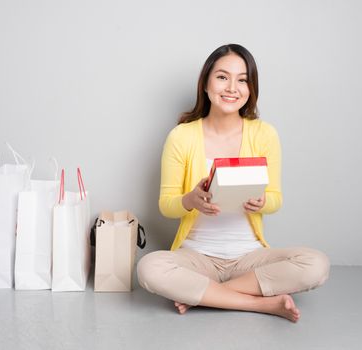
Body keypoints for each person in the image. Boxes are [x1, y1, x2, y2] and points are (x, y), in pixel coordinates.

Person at [137, 44, 329, 323]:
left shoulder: (264, 134)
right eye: (222, 77)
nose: (232, 88)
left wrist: (263, 201)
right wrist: (190, 200)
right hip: (196, 258)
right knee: (149, 267)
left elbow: (275, 198)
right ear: (205, 83)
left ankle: (209, 296)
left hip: (249, 259)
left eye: (242, 80)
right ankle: (261, 305)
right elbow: (166, 205)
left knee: (316, 265)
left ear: (251, 89)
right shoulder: (182, 137)